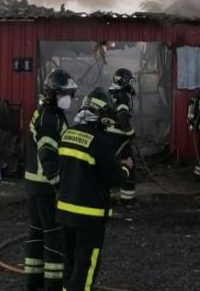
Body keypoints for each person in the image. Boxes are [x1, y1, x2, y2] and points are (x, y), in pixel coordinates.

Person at [56, 87, 133, 291]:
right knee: (86, 265)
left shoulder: (67, 134)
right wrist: (126, 167)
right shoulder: (100, 141)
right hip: (89, 216)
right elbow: (115, 178)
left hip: (65, 212)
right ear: (101, 115)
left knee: (70, 262)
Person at [23, 69, 77, 291]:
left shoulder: (45, 112)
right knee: (54, 236)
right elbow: (47, 153)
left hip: (34, 184)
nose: (69, 99)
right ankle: (54, 284)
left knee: (36, 234)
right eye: (66, 94)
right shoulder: (50, 118)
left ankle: (33, 283)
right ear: (54, 94)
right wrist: (57, 184)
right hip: (45, 186)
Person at [107, 68, 137, 202]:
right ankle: (127, 198)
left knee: (111, 164)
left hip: (108, 136)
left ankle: (111, 196)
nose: (131, 85)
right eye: (129, 82)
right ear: (123, 82)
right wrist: (131, 133)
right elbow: (122, 117)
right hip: (119, 137)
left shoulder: (110, 93)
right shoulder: (122, 97)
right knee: (129, 163)